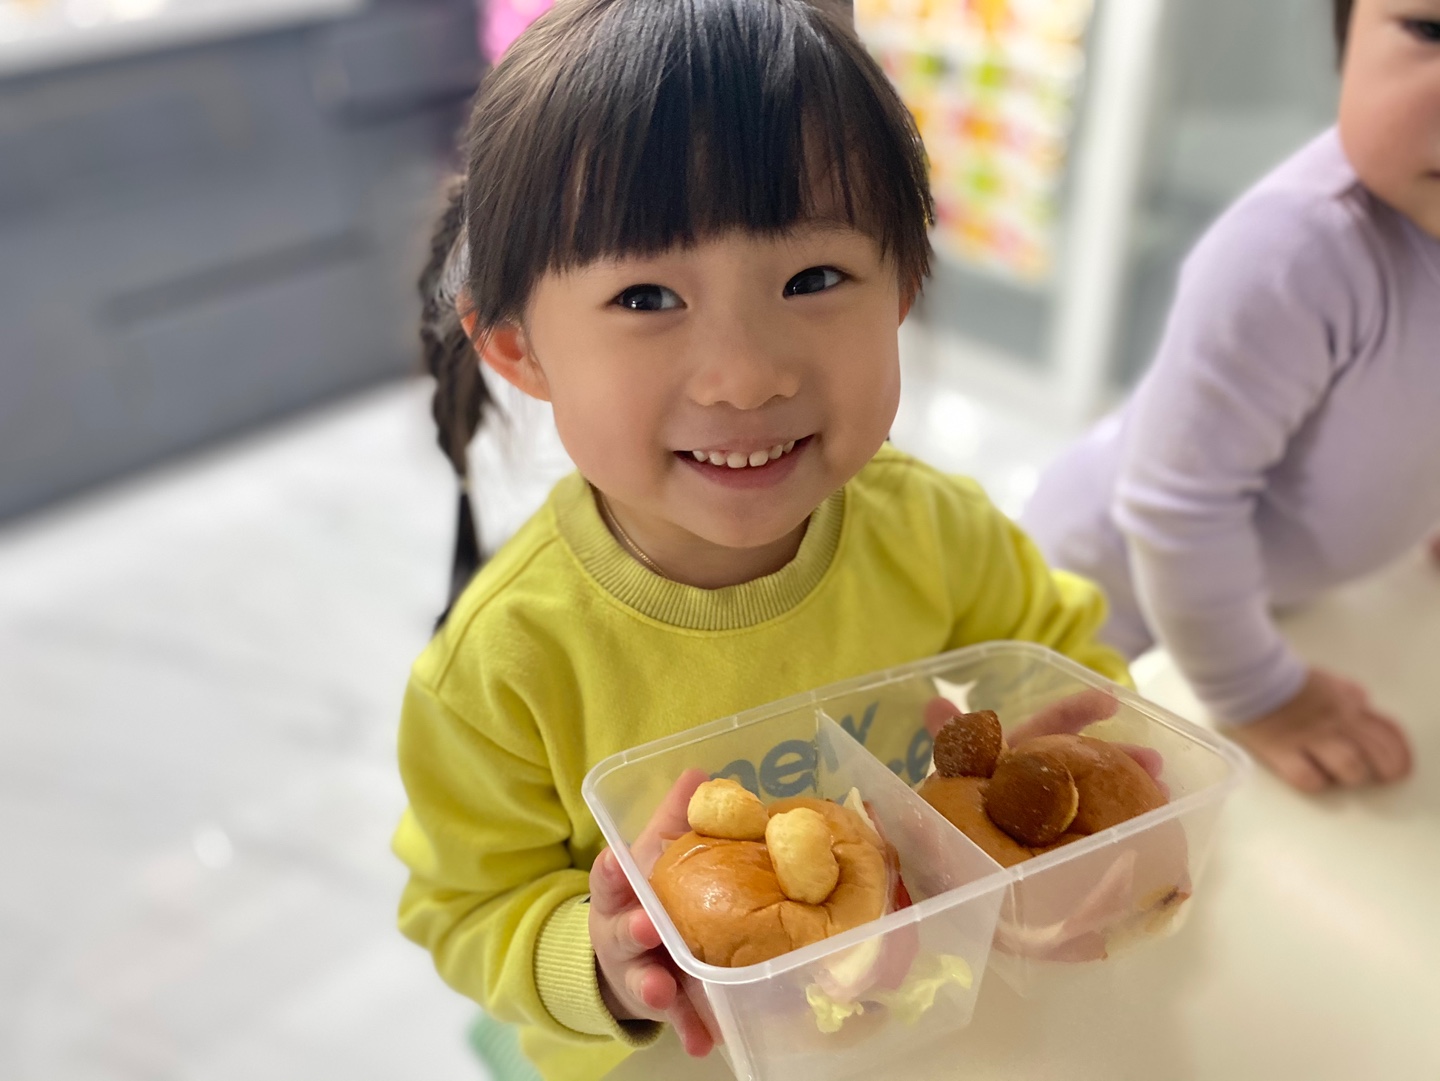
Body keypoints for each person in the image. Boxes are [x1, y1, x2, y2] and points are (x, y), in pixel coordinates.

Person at [394, 2, 1127, 1079]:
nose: (746, 377)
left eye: (814, 280)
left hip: (921, 1011)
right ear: (520, 349)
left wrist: (1065, 769)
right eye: (648, 295)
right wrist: (602, 963)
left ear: (903, 288)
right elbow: (466, 904)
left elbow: (1061, 657)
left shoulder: (934, 530)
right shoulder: (504, 664)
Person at [1021, 0, 1437, 795]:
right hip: (1106, 599)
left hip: (1259, 592)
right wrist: (1263, 695)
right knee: (1073, 801)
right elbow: (1181, 508)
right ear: (1346, 32)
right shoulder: (1299, 249)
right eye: (1432, 30)